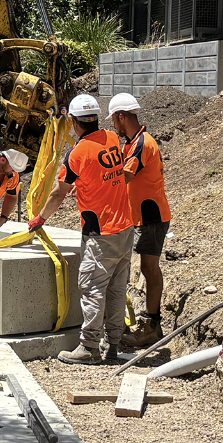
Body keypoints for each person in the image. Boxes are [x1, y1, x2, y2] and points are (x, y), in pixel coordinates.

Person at [31, 93, 137, 364]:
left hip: (101, 232)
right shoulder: (113, 139)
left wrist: (40, 218)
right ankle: (112, 346)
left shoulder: (77, 154)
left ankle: (89, 348)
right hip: (125, 229)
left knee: (92, 288)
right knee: (116, 289)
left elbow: (58, 193)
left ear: (75, 123)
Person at [106, 92, 170, 352]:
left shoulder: (143, 144)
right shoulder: (132, 143)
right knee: (146, 267)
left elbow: (124, 178)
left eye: (114, 121)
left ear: (122, 117)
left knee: (149, 268)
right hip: (143, 215)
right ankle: (149, 323)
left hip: (152, 216)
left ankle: (152, 325)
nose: (114, 126)